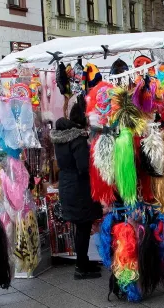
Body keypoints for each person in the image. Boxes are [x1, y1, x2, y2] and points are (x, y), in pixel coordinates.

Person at [51, 96, 103, 280]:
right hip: (79, 187)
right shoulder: (78, 139)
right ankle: (81, 267)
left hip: (67, 184)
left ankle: (83, 260)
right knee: (83, 226)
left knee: (79, 226)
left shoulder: (61, 138)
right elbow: (83, 167)